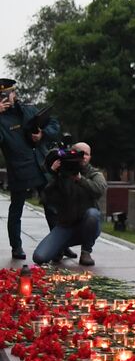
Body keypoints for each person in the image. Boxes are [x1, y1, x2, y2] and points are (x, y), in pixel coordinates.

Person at [0, 79, 61, 260]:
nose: (6, 98)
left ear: (14, 93)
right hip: (19, 169)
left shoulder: (29, 110)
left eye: (7, 94)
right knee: (16, 208)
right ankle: (16, 247)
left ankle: (58, 245)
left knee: (51, 207)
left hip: (40, 165)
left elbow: (53, 123)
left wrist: (43, 134)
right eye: (1, 96)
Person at [32, 141, 105, 267]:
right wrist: (53, 174)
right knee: (39, 257)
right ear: (71, 153)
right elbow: (46, 198)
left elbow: (99, 189)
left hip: (87, 226)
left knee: (92, 214)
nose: (83, 157)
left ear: (90, 157)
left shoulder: (94, 174)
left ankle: (86, 251)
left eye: (86, 154)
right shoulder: (61, 174)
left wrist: (80, 180)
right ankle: (60, 248)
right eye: (80, 153)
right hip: (66, 226)